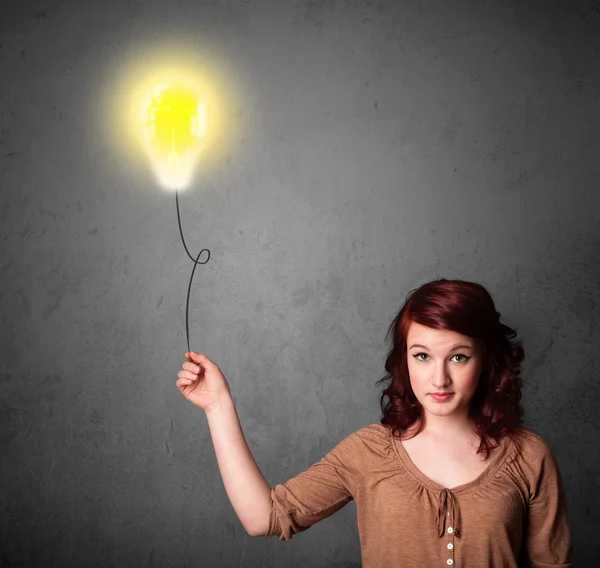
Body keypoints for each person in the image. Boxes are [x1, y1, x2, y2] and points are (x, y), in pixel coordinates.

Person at [176, 278, 572, 567]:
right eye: (422, 356)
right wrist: (218, 406)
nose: (439, 378)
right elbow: (264, 516)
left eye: (458, 357)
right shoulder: (369, 450)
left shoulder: (529, 456)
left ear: (485, 361)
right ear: (404, 360)